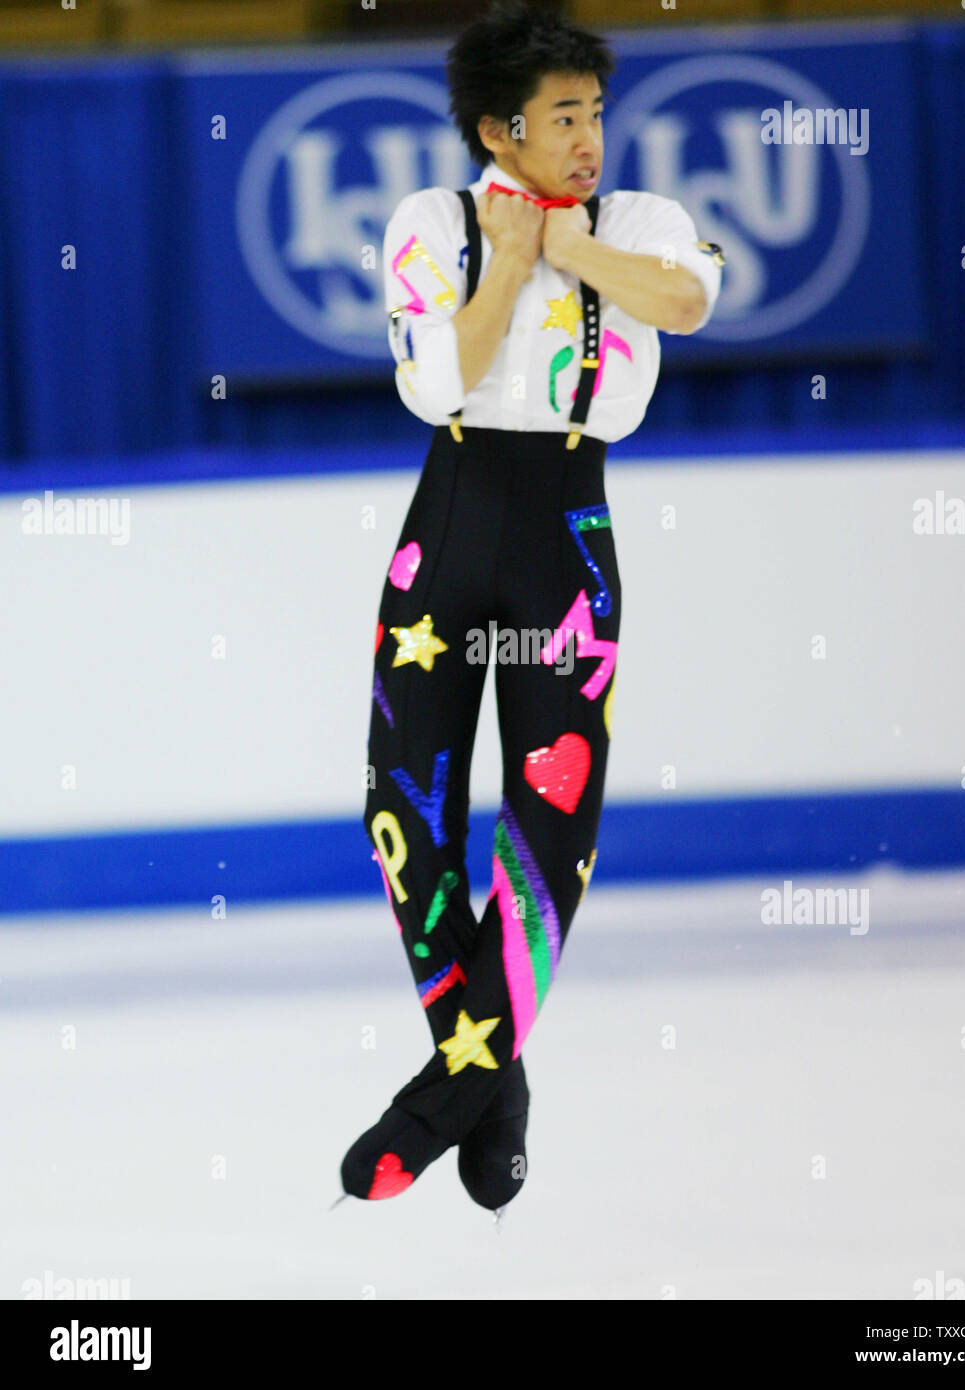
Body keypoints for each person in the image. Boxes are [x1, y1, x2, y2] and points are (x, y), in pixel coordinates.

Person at [340, 0, 723, 1212]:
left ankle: (444, 1095)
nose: (588, 137)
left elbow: (684, 302)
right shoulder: (430, 223)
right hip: (446, 526)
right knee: (400, 807)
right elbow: (429, 379)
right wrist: (506, 262)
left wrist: (564, 246)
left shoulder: (641, 223)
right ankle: (490, 1075)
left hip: (567, 528)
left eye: (595, 112)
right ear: (500, 129)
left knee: (549, 832)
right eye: (563, 117)